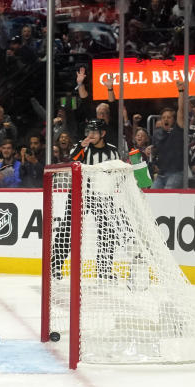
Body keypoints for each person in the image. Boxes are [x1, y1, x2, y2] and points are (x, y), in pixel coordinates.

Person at [51, 118, 120, 280]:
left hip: (103, 195)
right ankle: (55, 266)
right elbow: (72, 161)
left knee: (107, 231)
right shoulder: (82, 147)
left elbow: (117, 171)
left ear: (103, 133)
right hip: (80, 193)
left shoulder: (112, 151)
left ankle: (104, 269)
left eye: (94, 131)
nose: (91, 134)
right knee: (68, 229)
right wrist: (82, 146)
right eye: (89, 131)